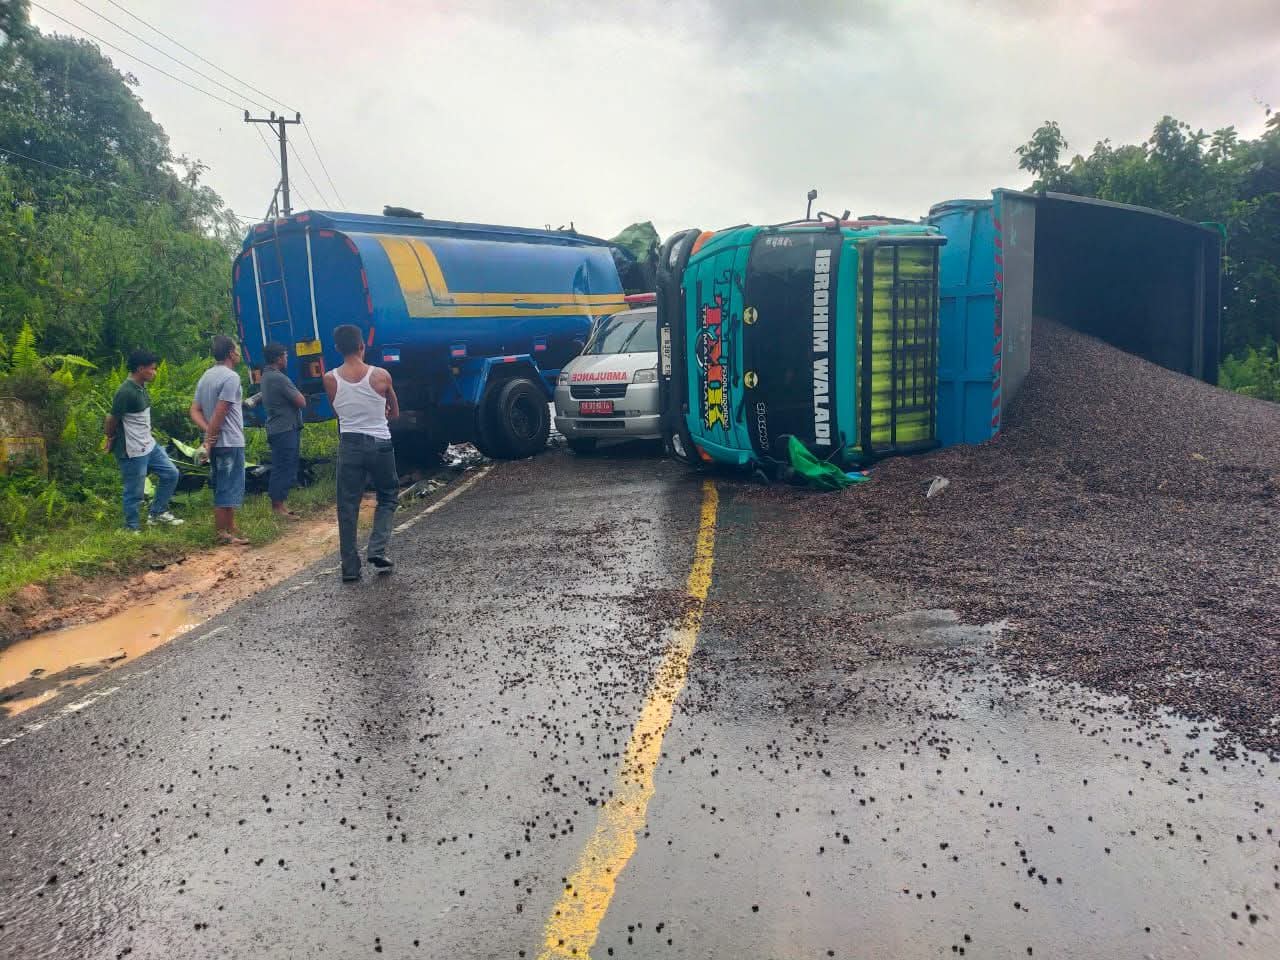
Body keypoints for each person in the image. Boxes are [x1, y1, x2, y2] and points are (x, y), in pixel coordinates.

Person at [324, 323, 400, 583]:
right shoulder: (381, 375)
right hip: (381, 444)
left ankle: (350, 568)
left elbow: (337, 412)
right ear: (361, 346)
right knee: (388, 495)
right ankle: (377, 549)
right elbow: (394, 411)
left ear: (337, 348)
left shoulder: (330, 378)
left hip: (350, 445)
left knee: (347, 505)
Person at [103, 349, 184, 532]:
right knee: (134, 491)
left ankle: (157, 513)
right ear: (140, 369)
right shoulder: (125, 392)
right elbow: (112, 419)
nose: (155, 372)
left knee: (171, 474)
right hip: (132, 450)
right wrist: (109, 437)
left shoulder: (141, 387)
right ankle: (131, 528)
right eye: (152, 369)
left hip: (149, 444)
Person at [190, 335, 248, 546]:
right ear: (231, 353)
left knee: (226, 484)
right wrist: (211, 438)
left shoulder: (207, 375)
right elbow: (221, 411)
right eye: (237, 349)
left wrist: (208, 433)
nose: (239, 353)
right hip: (229, 441)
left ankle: (230, 527)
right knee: (226, 486)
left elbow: (194, 410)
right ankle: (222, 533)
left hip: (218, 440)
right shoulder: (231, 378)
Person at [259, 342, 307, 518]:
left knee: (285, 465)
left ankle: (280, 504)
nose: (287, 359)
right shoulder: (279, 378)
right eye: (285, 356)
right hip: (284, 429)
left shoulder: (267, 376)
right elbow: (301, 401)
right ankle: (278, 507)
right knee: (283, 466)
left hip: (280, 428)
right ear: (278, 358)